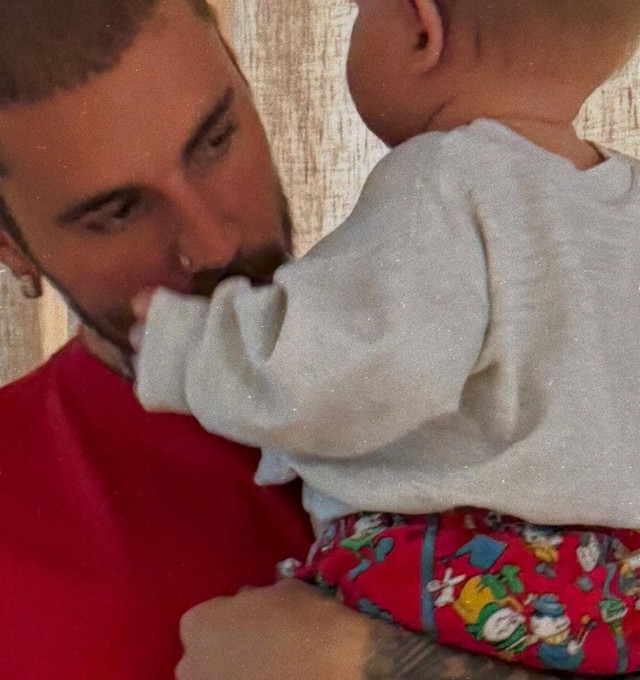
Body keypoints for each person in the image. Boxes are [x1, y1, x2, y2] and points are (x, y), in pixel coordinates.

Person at [0, 0, 581, 678]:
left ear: (242, 76)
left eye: (216, 141)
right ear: (11, 247)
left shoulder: (540, 331)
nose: (214, 245)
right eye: (119, 211)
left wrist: (371, 666)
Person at [133, 0, 640, 675]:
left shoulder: (447, 178)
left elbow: (351, 370)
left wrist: (188, 346)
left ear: (421, 28)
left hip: (460, 574)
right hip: (613, 602)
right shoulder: (626, 200)